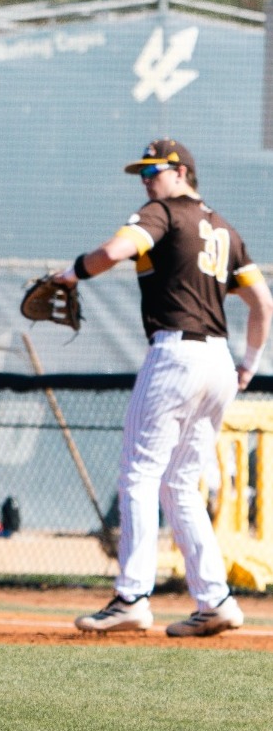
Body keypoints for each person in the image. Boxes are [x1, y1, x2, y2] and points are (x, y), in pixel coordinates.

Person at [57, 139, 270, 637]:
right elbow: (262, 302)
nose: (146, 179)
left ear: (181, 172)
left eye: (153, 170)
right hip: (217, 360)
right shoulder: (223, 227)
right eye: (143, 172)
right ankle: (215, 599)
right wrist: (249, 367)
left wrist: (71, 273)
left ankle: (132, 596)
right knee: (180, 484)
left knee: (139, 475)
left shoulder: (163, 213)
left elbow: (114, 251)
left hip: (175, 353)